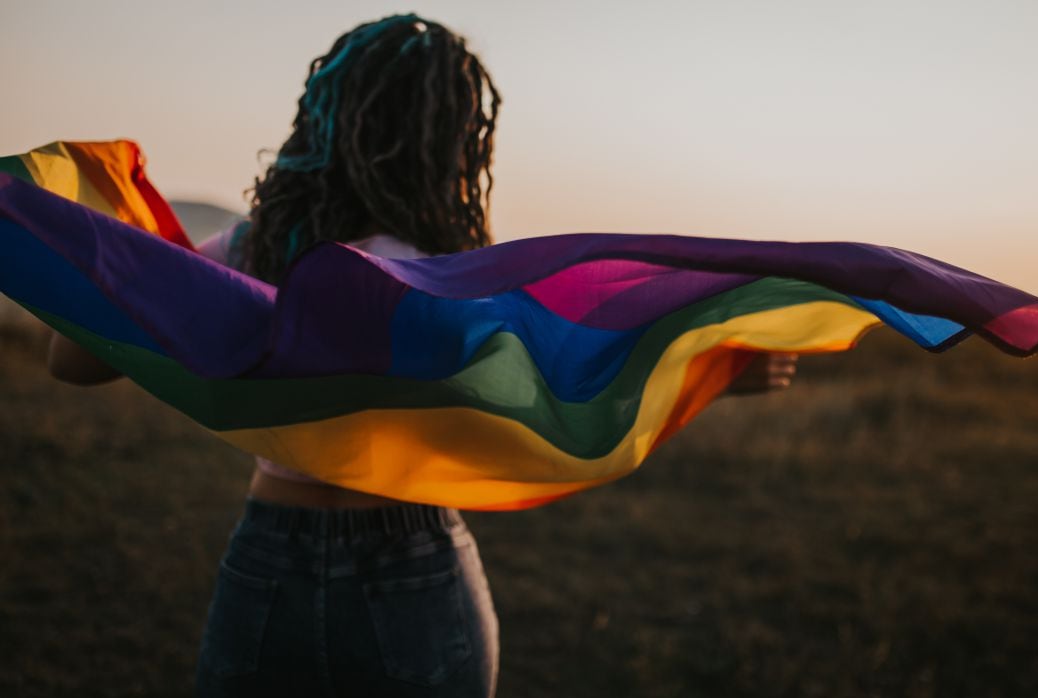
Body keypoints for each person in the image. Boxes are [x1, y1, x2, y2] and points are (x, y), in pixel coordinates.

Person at [44, 13, 797, 697]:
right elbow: (553, 389)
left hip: (270, 558)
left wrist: (110, 257)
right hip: (415, 564)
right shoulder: (454, 277)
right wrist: (712, 371)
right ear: (453, 146)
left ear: (325, 120)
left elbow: (69, 363)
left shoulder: (252, 250)